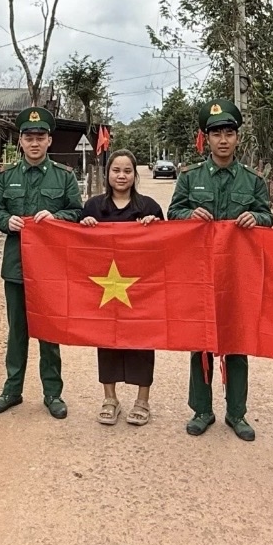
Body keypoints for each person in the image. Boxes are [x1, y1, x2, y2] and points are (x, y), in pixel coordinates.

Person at [168, 98, 273, 441]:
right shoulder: (190, 178)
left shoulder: (253, 181)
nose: (223, 139)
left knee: (237, 340)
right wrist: (189, 215)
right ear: (206, 139)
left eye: (229, 133)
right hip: (200, 272)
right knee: (201, 340)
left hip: (238, 274)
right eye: (216, 134)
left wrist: (255, 217)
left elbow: (268, 218)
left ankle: (237, 413)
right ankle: (202, 410)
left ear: (237, 138)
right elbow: (174, 214)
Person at [0, 107, 83, 419]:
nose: (35, 142)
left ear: (49, 140)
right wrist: (6, 220)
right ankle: (12, 390)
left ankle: (53, 393)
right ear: (21, 142)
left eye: (40, 137)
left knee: (49, 331)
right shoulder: (7, 178)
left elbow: (77, 213)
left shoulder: (64, 177)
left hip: (52, 269)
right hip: (17, 266)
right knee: (17, 332)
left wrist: (56, 217)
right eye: (29, 137)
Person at [79, 149, 165, 427]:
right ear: (108, 174)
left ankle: (143, 400)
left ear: (135, 175)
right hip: (105, 288)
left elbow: (167, 246)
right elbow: (77, 248)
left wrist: (156, 226)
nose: (121, 175)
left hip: (142, 289)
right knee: (106, 337)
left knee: (143, 339)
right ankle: (110, 398)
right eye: (116, 170)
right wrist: (84, 226)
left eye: (127, 171)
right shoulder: (93, 208)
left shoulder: (149, 208)